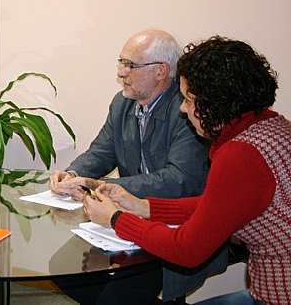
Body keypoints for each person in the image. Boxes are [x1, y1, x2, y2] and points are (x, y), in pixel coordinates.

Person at [84, 36, 291, 305]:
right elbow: (218, 206)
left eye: (189, 100)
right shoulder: (273, 127)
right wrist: (142, 206)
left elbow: (186, 249)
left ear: (216, 103)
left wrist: (116, 219)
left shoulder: (239, 154)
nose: (183, 108)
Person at [50, 30, 214, 304]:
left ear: (161, 71)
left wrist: (102, 187)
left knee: (117, 296)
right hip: (124, 220)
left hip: (175, 225)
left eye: (130, 65)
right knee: (65, 270)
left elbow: (180, 180)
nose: (121, 72)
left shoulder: (186, 109)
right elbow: (101, 152)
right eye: (121, 63)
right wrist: (74, 175)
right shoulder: (122, 103)